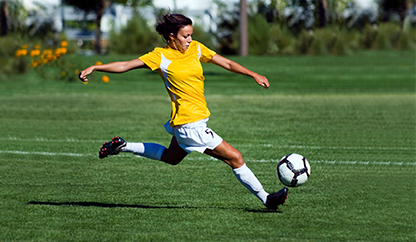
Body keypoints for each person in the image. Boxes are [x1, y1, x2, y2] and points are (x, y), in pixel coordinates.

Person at [79, 13, 288, 209]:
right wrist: (96, 67)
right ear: (172, 36)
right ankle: (266, 198)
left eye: (191, 35)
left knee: (171, 157)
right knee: (235, 158)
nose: (189, 40)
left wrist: (253, 74)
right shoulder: (160, 56)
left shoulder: (196, 49)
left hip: (186, 123)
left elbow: (226, 62)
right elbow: (125, 65)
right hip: (190, 125)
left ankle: (123, 146)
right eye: (185, 36)